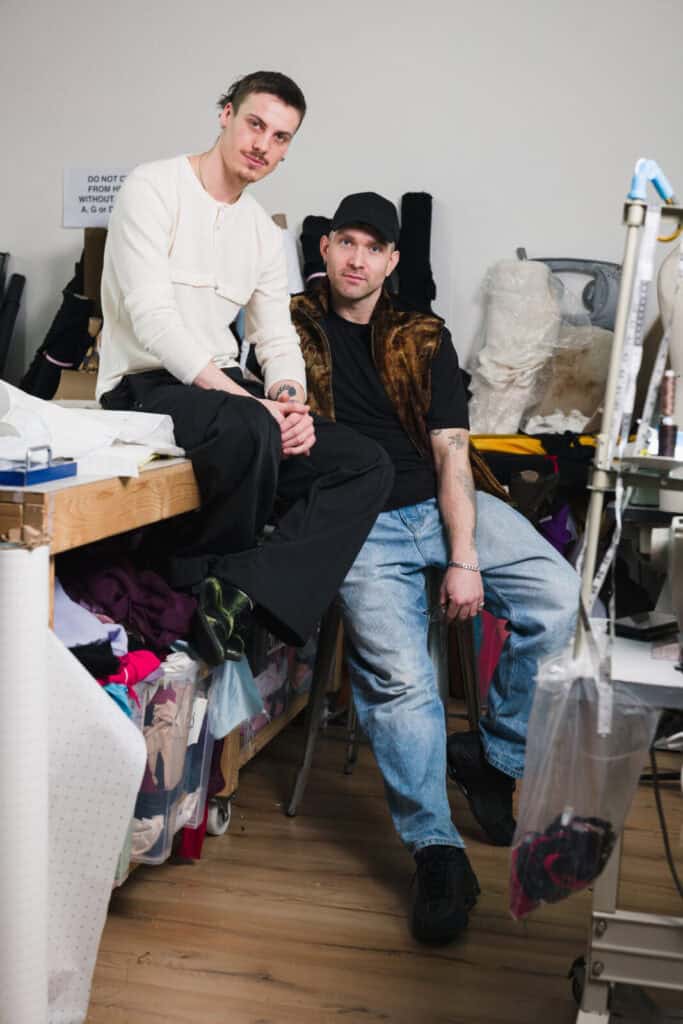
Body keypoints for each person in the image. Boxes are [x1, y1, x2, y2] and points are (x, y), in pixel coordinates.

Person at [291, 192, 581, 945]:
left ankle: (491, 752)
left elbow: (452, 449)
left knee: (559, 593)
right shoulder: (282, 326)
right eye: (344, 242)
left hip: (441, 500)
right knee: (400, 680)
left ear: (391, 260)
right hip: (356, 520)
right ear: (324, 248)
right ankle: (436, 851)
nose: (356, 258)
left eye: (372, 247)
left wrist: (463, 556)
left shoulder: (420, 335)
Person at [96, 75, 393, 663]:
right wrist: (249, 403)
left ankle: (238, 593)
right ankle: (190, 583)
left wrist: (288, 400)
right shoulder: (152, 187)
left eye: (281, 137)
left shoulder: (261, 229)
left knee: (364, 464)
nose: (263, 144)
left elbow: (275, 334)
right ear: (226, 115)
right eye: (255, 124)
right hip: (145, 384)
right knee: (247, 425)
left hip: (228, 394)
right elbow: (153, 319)